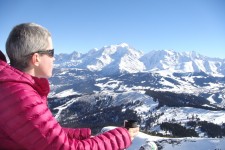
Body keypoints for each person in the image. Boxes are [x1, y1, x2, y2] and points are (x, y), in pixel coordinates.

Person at [0, 23, 139, 150]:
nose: (54, 58)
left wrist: (86, 134)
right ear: (36, 58)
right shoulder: (22, 97)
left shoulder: (12, 89)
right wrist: (122, 137)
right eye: (51, 53)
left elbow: (45, 135)